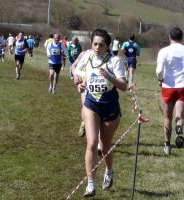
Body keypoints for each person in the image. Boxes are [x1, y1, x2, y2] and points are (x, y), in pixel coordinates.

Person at [74, 29, 127, 197]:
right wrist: (80, 83)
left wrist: (109, 76)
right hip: (91, 105)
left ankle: (109, 171)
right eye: (95, 44)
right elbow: (77, 71)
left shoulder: (114, 61)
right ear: (91, 44)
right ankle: (90, 184)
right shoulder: (87, 57)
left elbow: (124, 86)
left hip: (110, 107)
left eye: (101, 45)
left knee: (105, 147)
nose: (97, 47)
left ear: (108, 46)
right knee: (91, 143)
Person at [156, 27, 184, 155]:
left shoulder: (164, 51)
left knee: (167, 118)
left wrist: (161, 79)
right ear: (182, 38)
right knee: (179, 116)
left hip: (168, 87)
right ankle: (179, 128)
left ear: (169, 37)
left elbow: (159, 70)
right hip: (183, 87)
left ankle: (167, 145)